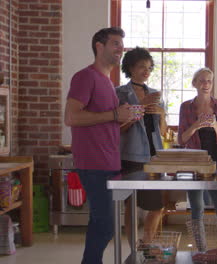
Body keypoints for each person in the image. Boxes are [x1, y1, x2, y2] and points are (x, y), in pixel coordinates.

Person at [64, 27, 132, 264]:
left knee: (102, 222)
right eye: (115, 43)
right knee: (105, 225)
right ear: (99, 46)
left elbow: (107, 123)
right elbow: (71, 118)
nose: (120, 48)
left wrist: (125, 118)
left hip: (109, 162)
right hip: (93, 163)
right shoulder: (85, 77)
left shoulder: (107, 82)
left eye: (121, 44)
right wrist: (115, 114)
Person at [116, 47, 167, 244]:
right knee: (132, 205)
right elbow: (120, 127)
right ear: (130, 68)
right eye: (141, 67)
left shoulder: (155, 93)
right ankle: (133, 248)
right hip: (130, 155)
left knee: (157, 206)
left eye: (149, 67)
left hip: (154, 156)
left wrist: (161, 114)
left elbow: (162, 131)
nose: (146, 71)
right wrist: (142, 106)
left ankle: (146, 242)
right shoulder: (120, 93)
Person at [177, 67, 217, 253]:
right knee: (196, 210)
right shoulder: (186, 107)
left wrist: (214, 123)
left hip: (216, 166)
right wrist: (196, 125)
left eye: (209, 81)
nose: (205, 84)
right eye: (201, 80)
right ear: (194, 83)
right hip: (193, 166)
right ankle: (201, 251)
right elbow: (181, 139)